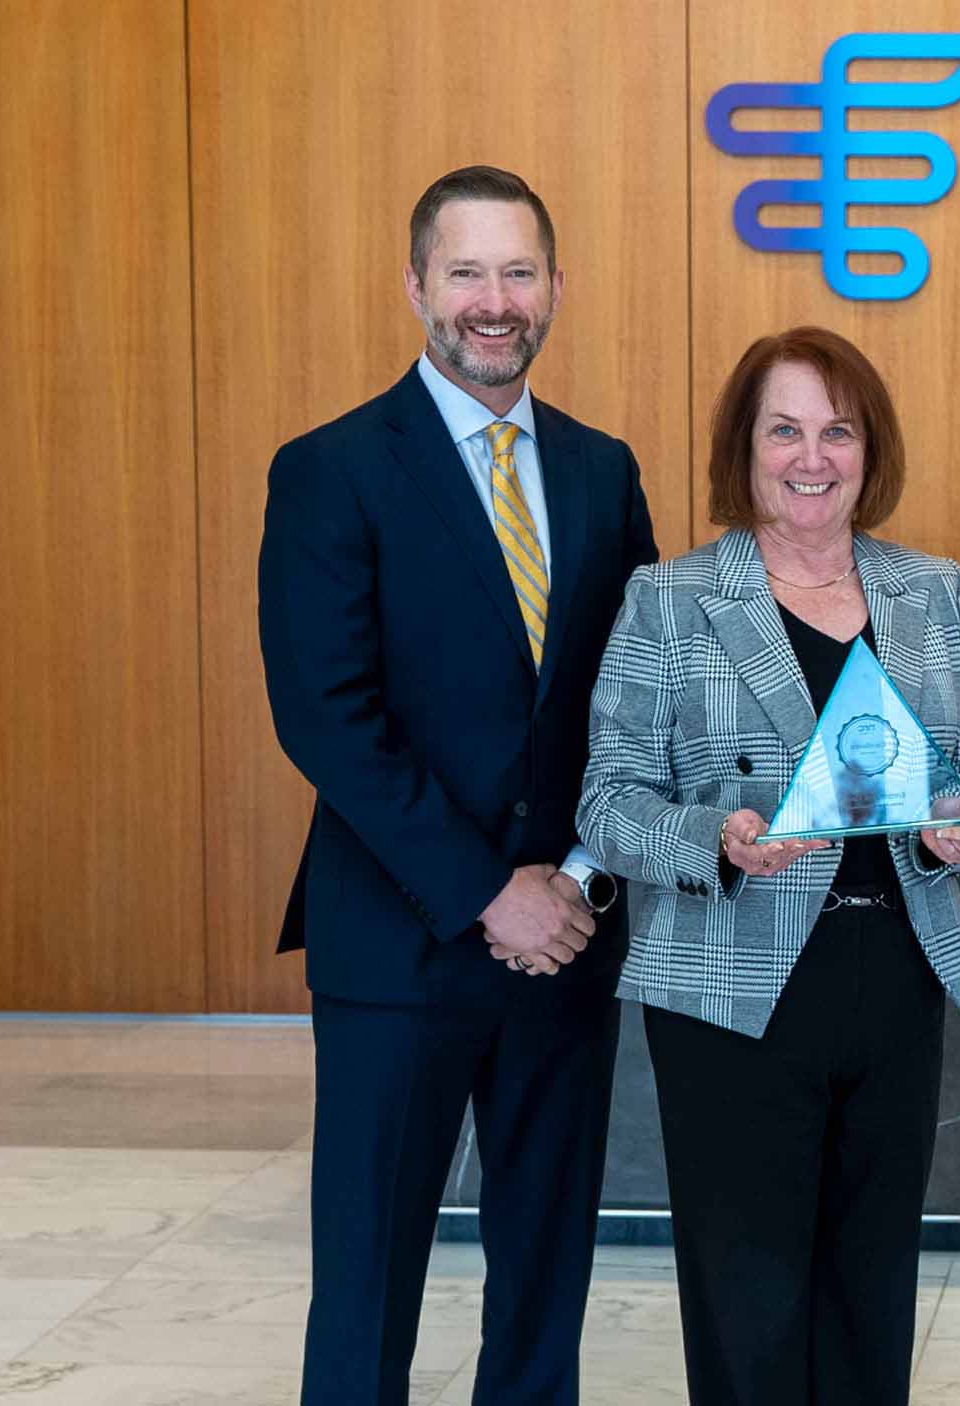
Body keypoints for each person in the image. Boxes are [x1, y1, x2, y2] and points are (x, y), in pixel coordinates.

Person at [258, 165, 659, 1404]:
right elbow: (327, 715)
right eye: (468, 272)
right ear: (416, 285)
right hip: (399, 942)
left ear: (555, 287)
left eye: (519, 271)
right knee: (369, 1273)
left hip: (569, 943)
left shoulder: (601, 470)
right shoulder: (332, 467)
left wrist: (575, 883)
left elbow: (633, 707)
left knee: (545, 1268)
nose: (496, 301)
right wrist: (492, 890)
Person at [576, 325, 960, 1405]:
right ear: (745, 445)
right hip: (733, 976)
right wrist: (713, 837)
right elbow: (609, 797)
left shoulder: (932, 590)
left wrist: (950, 824)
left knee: (870, 1286)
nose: (811, 457)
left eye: (837, 430)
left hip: (897, 963)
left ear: (869, 448)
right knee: (747, 1293)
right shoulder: (669, 598)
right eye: (784, 430)